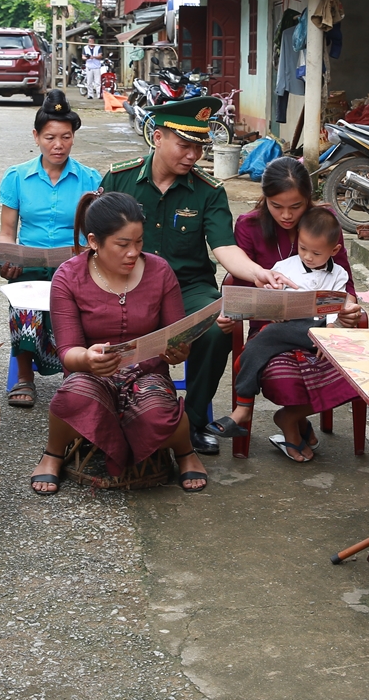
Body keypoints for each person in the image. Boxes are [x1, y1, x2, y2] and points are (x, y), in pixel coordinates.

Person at [100, 97, 291, 456]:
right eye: (184, 145)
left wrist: (259, 273)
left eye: (199, 147)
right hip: (126, 286)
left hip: (187, 288)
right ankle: (113, 411)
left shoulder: (209, 191)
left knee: (219, 326)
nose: (192, 155)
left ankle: (191, 421)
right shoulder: (118, 178)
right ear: (157, 137)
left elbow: (224, 248)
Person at [28, 192, 208, 495]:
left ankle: (185, 451)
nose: (133, 253)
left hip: (148, 373)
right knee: (71, 398)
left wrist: (178, 350)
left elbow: (176, 337)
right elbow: (67, 351)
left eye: (139, 243)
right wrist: (87, 359)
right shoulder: (68, 277)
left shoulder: (160, 271)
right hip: (92, 373)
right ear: (94, 241)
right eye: (123, 245)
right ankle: (53, 452)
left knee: (159, 415)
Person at [210, 157, 367, 462]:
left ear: (308, 200)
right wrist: (235, 311)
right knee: (278, 374)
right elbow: (240, 283)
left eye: (295, 207)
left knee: (356, 373)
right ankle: (286, 423)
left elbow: (344, 284)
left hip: (322, 326)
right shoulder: (249, 226)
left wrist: (348, 309)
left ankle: (291, 418)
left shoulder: (324, 224)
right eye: (276, 205)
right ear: (265, 199)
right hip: (271, 329)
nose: (286, 215)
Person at [0, 89, 102, 408]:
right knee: (22, 295)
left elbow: (96, 233)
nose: (58, 145)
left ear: (73, 137)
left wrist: (90, 256)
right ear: (36, 136)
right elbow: (6, 232)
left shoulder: (90, 178)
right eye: (50, 137)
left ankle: (74, 374)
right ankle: (25, 376)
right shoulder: (16, 177)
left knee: (78, 304)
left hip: (75, 266)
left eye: (66, 137)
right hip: (28, 266)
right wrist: (7, 259)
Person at [82, 34, 103, 99]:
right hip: (89, 67)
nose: (90, 42)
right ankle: (90, 95)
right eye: (89, 41)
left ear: (94, 41)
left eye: (91, 41)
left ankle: (99, 95)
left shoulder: (98, 47)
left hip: (96, 66)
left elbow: (100, 56)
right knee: (89, 82)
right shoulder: (85, 48)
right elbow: (83, 57)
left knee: (98, 82)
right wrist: (87, 58)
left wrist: (93, 57)